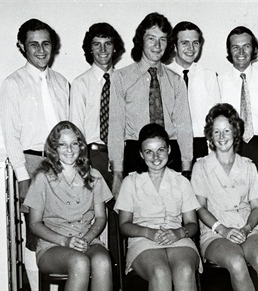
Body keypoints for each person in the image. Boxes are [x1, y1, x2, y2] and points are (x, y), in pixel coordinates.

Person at [0, 18, 69, 289]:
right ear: (22, 46)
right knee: (33, 232)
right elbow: (11, 137)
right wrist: (23, 179)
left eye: (46, 43)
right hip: (32, 163)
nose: (41, 50)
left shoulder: (62, 83)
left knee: (61, 228)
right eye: (33, 44)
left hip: (63, 164)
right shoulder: (13, 84)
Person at [191, 103, 258, 291]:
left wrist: (247, 229)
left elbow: (257, 207)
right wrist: (222, 230)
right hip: (215, 232)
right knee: (237, 263)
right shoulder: (201, 167)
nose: (222, 137)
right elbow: (200, 208)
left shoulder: (248, 166)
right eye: (216, 132)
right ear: (210, 135)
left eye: (226, 131)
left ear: (235, 133)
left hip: (249, 228)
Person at [108, 12, 193, 198]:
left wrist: (186, 170)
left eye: (163, 40)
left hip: (170, 154)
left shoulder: (176, 81)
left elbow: (184, 127)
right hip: (135, 154)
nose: (157, 45)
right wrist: (117, 172)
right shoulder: (121, 78)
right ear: (141, 41)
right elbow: (115, 127)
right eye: (151, 38)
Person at [23, 121, 113, 291]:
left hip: (87, 240)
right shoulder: (42, 178)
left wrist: (86, 239)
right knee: (80, 262)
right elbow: (34, 224)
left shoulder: (94, 176)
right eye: (62, 145)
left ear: (81, 147)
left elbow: (101, 217)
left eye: (74, 144)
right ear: (54, 148)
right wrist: (65, 241)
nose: (69, 150)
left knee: (103, 261)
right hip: (53, 245)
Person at [115, 123, 201, 291]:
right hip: (143, 239)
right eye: (149, 151)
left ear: (168, 149)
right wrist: (149, 232)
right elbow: (124, 225)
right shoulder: (130, 182)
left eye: (160, 150)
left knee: (184, 270)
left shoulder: (181, 182)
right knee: (160, 272)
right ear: (141, 154)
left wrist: (178, 233)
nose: (155, 157)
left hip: (178, 238)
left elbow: (192, 224)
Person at [218, 26, 258, 187]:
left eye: (246, 46)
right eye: (235, 47)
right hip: (230, 145)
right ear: (229, 51)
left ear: (254, 49)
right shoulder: (218, 82)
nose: (241, 52)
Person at [70, 22, 125, 187]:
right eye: (97, 44)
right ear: (90, 49)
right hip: (93, 155)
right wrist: (81, 163)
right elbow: (76, 128)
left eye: (108, 44)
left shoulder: (124, 81)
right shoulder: (81, 83)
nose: (103, 50)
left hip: (121, 156)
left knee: (121, 209)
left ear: (115, 48)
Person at [168, 21, 221, 163]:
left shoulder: (209, 75)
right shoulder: (163, 74)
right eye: (184, 43)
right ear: (174, 46)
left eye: (195, 43)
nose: (191, 48)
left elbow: (214, 118)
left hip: (200, 144)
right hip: (171, 145)